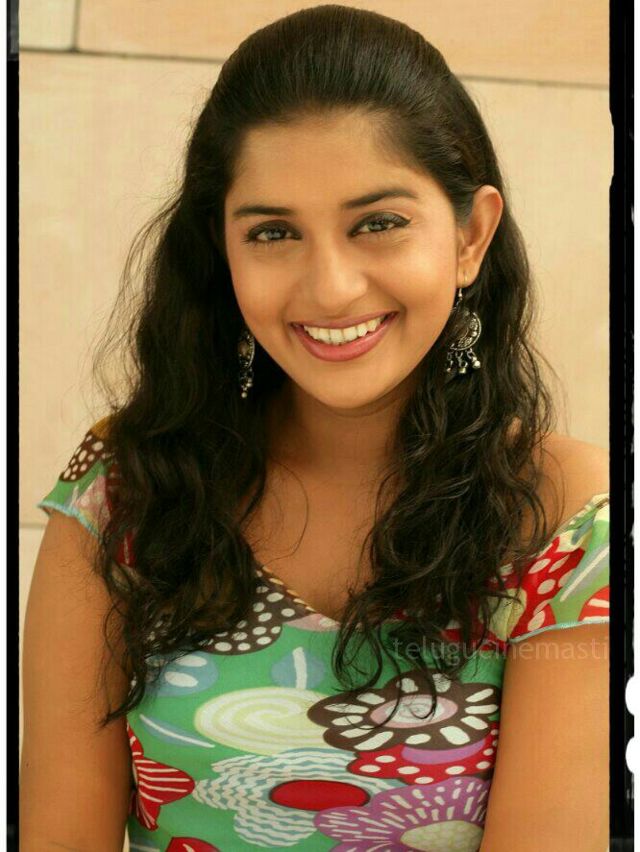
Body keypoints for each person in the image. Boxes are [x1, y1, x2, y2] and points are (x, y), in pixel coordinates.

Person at [21, 5, 609, 851]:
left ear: (470, 235)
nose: (330, 287)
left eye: (378, 223)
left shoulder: (574, 527)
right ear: (222, 252)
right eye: (273, 232)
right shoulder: (124, 491)